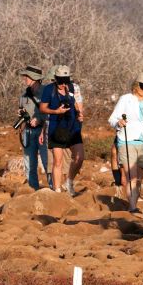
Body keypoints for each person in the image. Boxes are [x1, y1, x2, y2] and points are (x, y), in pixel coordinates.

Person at [108, 73, 143, 214]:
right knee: (131, 176)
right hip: (127, 140)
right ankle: (133, 208)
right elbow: (112, 119)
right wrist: (118, 123)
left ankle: (133, 204)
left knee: (139, 178)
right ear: (136, 86)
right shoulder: (125, 99)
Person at [39, 65, 84, 196]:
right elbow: (42, 108)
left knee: (79, 157)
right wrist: (56, 111)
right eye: (60, 80)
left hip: (72, 126)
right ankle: (57, 191)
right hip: (56, 127)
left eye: (65, 80)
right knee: (57, 161)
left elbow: (78, 105)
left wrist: (80, 114)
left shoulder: (73, 88)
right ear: (55, 79)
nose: (63, 83)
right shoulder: (49, 89)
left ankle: (69, 180)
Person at [16, 65, 48, 190]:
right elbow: (22, 110)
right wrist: (21, 114)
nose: (24, 78)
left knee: (47, 162)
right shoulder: (24, 96)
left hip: (43, 130)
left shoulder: (47, 92)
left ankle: (53, 189)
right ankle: (32, 190)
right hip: (28, 132)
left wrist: (40, 119)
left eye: (27, 76)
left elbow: (52, 111)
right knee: (29, 163)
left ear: (34, 78)